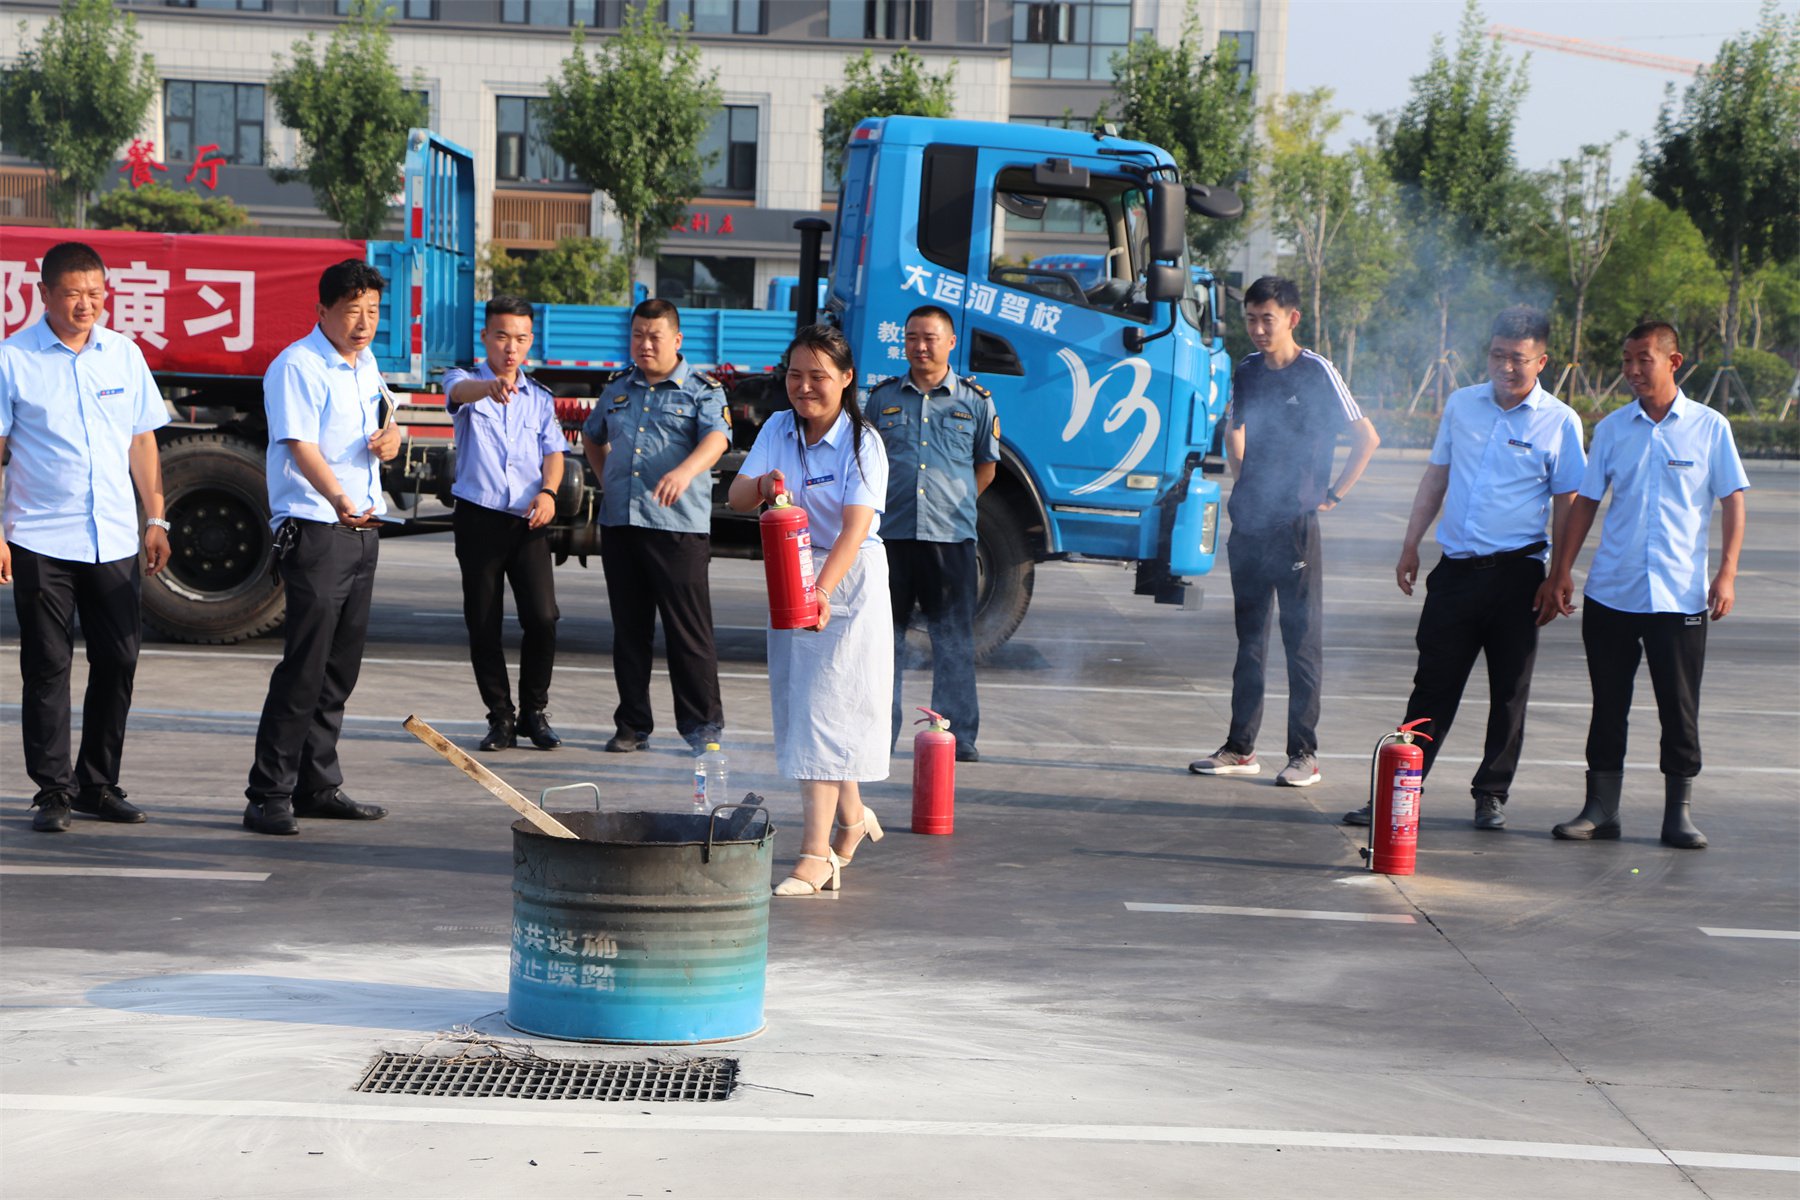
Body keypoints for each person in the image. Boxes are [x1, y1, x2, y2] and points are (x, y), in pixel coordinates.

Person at [1344, 307, 1586, 831]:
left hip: (1520, 575)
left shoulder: (1560, 421)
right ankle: (1400, 791)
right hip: (1455, 572)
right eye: (1497, 355)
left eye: (1517, 359)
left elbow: (1568, 503)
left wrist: (1559, 574)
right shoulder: (1462, 405)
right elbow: (1436, 478)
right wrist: (1411, 545)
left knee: (1509, 692)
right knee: (1431, 686)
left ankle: (1491, 794)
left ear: (1541, 361)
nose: (1505, 367)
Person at [1535, 321, 1748, 849]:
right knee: (1608, 704)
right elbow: (1585, 502)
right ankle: (1601, 808)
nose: (1631, 371)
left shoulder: (1709, 427)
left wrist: (1726, 572)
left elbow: (1733, 501)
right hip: (1613, 593)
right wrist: (1562, 569)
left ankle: (1678, 812)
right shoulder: (1611, 429)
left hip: (1680, 597)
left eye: (1642, 360)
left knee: (1679, 707)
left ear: (1673, 362)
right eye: (1626, 360)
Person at [0, 241, 170, 832]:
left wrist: (156, 516)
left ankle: (98, 784)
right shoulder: (13, 359)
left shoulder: (122, 355)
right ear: (43, 293)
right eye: (73, 294)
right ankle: (52, 790)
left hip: (116, 537)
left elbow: (142, 440)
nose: (85, 305)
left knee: (119, 657)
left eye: (95, 294)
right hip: (41, 537)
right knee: (47, 664)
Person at [1190, 276, 1380, 788]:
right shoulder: (1247, 370)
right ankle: (1239, 747)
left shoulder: (1317, 372)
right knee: (1249, 642)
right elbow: (1235, 428)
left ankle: (1303, 755)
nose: (1256, 329)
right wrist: (1245, 481)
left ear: (1292, 319)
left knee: (1301, 643)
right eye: (1250, 319)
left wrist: (1332, 495)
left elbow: (1367, 437)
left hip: (1295, 528)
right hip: (1249, 524)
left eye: (1265, 319)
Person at [728, 324, 891, 897]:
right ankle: (852, 818)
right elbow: (737, 497)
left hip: (846, 579)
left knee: (825, 715)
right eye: (795, 375)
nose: (804, 387)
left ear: (846, 381)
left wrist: (820, 592)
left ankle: (816, 855)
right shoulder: (778, 427)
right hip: (790, 565)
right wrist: (767, 483)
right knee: (809, 709)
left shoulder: (863, 443)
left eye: (818, 376)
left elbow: (856, 527)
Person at [242, 259, 402, 836]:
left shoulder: (365, 365)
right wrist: (337, 496)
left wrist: (394, 437)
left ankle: (317, 784)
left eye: (373, 312)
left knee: (340, 668)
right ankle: (268, 793)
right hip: (316, 528)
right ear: (323, 311)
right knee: (304, 667)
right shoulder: (298, 365)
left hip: (361, 530)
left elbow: (386, 414)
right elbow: (300, 446)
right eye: (352, 311)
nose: (364, 324)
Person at [582, 299, 729, 753]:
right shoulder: (618, 388)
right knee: (630, 630)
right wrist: (607, 479)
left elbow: (718, 438)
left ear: (677, 340)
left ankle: (702, 728)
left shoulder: (702, 390)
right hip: (622, 524)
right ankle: (632, 725)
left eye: (655, 336)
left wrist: (685, 472)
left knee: (688, 632)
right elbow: (592, 434)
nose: (644, 345)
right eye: (638, 336)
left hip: (677, 528)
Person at [872, 304, 999, 763]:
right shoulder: (882, 398)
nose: (919, 346)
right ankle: (878, 731)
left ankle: (957, 735)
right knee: (884, 640)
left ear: (949, 343)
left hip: (951, 539)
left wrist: (954, 502)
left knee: (953, 641)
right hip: (893, 538)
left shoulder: (975, 401)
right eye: (911, 338)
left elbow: (985, 468)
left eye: (929, 338)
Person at [443, 297, 567, 753]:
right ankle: (500, 718)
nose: (510, 348)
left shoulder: (539, 398)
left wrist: (549, 492)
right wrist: (489, 388)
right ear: (486, 338)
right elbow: (457, 396)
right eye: (501, 336)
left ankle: (534, 713)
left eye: (519, 338)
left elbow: (554, 451)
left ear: (530, 341)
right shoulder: (464, 380)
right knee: (484, 621)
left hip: (529, 520)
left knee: (543, 617)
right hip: (479, 518)